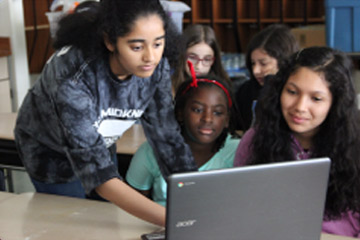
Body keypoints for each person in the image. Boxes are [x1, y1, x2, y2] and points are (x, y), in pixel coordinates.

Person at [14, 0, 198, 227]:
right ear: (110, 41)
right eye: (137, 47)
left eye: (158, 43)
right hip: (51, 153)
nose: (150, 57)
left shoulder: (154, 68)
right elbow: (99, 176)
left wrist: (195, 198)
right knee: (73, 224)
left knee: (108, 220)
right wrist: (175, 220)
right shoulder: (72, 74)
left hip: (99, 143)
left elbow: (167, 139)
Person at [234, 46, 360, 237]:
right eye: (292, 92)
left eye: (316, 98)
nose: (300, 107)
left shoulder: (355, 147)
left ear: (336, 103)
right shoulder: (255, 139)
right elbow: (241, 214)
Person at [126, 61, 240, 206]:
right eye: (197, 110)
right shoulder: (151, 151)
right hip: (160, 225)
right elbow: (132, 206)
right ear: (180, 113)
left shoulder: (239, 151)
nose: (207, 119)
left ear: (227, 121)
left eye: (218, 112)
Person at [235, 24, 299, 131]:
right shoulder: (245, 91)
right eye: (253, 63)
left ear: (283, 62)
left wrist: (270, 81)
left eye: (263, 64)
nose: (256, 71)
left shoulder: (294, 93)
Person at [171, 24, 231, 93]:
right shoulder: (167, 86)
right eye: (192, 57)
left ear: (214, 61)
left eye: (207, 59)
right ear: (182, 55)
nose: (198, 66)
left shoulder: (222, 88)